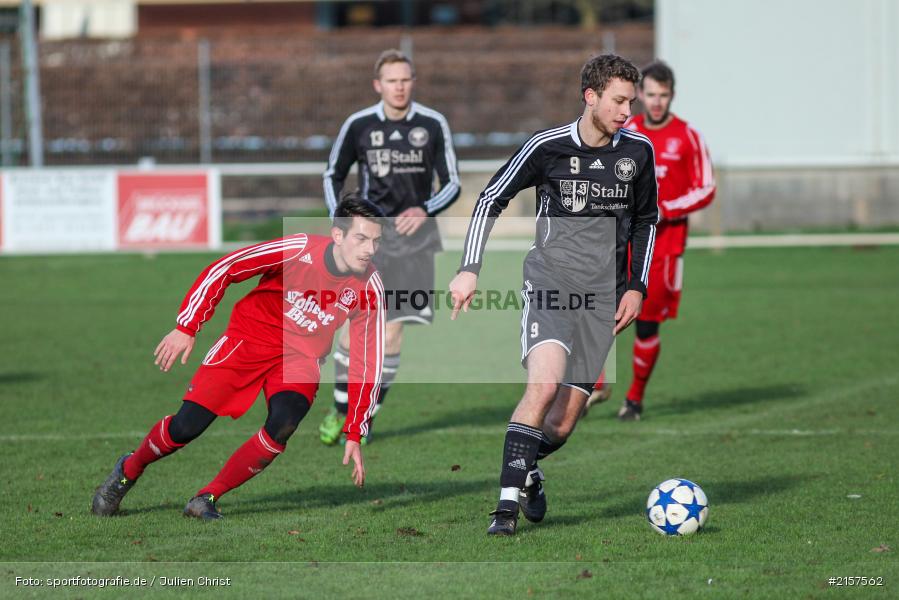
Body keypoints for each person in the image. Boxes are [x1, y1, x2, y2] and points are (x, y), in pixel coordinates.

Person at [448, 54, 658, 535]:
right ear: (591, 96)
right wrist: (469, 269)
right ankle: (503, 509)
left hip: (604, 297)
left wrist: (636, 287)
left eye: (632, 100)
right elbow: (489, 198)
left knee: (562, 424)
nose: (628, 111)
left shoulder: (638, 154)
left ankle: (528, 468)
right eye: (619, 101)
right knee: (542, 387)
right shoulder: (548, 147)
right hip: (550, 282)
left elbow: (647, 221)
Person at [91, 197, 386, 520]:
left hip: (299, 359)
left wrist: (356, 430)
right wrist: (187, 327)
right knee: (186, 427)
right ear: (338, 235)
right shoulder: (298, 249)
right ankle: (128, 470)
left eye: (376, 240)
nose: (370, 249)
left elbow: (367, 362)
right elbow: (226, 268)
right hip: (249, 340)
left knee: (284, 423)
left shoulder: (370, 287)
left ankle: (206, 498)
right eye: (361, 238)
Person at [320, 48, 460, 445]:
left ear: (413, 82)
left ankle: (363, 419)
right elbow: (333, 172)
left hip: (416, 246)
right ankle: (341, 407)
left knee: (393, 334)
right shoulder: (360, 124)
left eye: (406, 79)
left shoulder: (432, 124)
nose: (400, 87)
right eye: (392, 81)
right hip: (370, 242)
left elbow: (452, 182)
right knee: (353, 330)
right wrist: (343, 220)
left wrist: (425, 208)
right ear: (378, 85)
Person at [586, 60, 716, 421]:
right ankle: (595, 385)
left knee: (645, 322)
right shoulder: (625, 130)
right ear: (639, 94)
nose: (656, 102)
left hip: (665, 248)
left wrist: (665, 208)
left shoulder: (687, 136)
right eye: (650, 94)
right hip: (621, 241)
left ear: (672, 95)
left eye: (663, 95)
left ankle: (634, 399)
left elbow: (706, 188)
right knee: (597, 311)